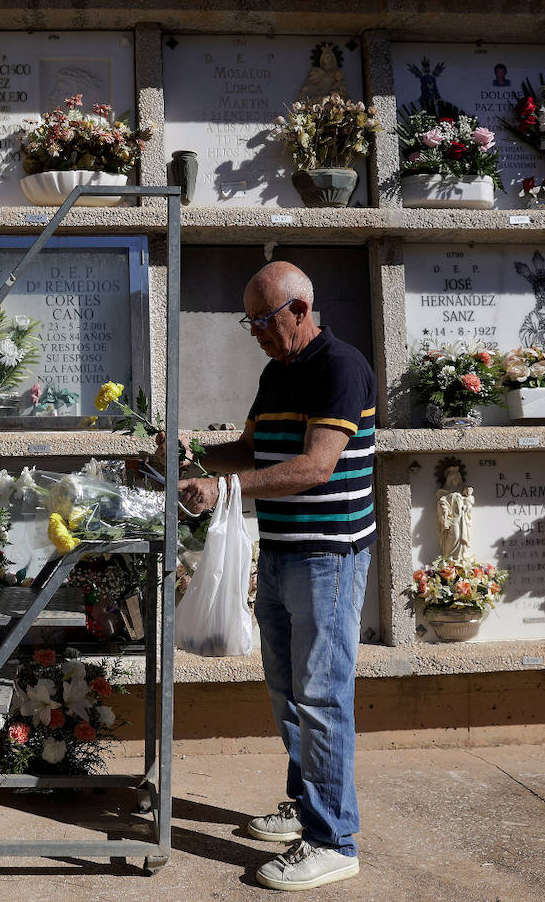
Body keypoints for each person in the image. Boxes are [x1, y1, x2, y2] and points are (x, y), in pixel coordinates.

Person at [169, 261, 375, 892]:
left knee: (322, 698)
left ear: (301, 311)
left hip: (328, 556)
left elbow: (315, 467)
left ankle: (333, 839)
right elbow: (252, 451)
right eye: (249, 321)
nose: (255, 332)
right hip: (284, 550)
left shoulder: (340, 369)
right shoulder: (275, 372)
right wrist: (180, 453)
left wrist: (223, 485)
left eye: (263, 320)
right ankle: (303, 806)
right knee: (288, 692)